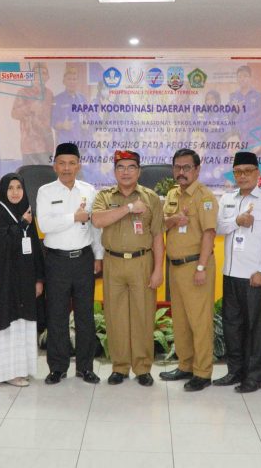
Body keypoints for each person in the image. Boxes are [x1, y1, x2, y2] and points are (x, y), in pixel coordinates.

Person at [91, 149, 165, 386]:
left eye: (131, 167)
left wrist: (158, 270)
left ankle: (142, 368)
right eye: (120, 167)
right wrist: (129, 208)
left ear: (139, 171)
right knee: (115, 317)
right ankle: (120, 367)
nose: (125, 172)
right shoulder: (104, 195)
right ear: (114, 171)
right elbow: (98, 220)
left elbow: (157, 237)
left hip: (142, 262)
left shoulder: (151, 197)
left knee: (143, 316)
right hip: (113, 262)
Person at [35, 142, 104, 385]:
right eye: (61, 163)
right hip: (56, 261)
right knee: (57, 316)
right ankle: (57, 367)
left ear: (79, 165)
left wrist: (98, 256)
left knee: (85, 316)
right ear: (54, 165)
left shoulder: (89, 190)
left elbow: (95, 228)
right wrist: (73, 217)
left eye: (71, 163)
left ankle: (85, 367)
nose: (66, 168)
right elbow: (45, 225)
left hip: (84, 260)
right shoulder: (45, 191)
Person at [214, 151, 261, 393]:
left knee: (256, 327)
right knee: (232, 325)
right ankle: (235, 371)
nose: (242, 176)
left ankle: (255, 376)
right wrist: (237, 221)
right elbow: (219, 227)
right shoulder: (228, 198)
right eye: (238, 172)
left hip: (255, 276)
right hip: (231, 273)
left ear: (257, 174)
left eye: (248, 171)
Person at [159, 148, 218, 392]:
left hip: (196, 265)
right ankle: (185, 365)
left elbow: (209, 233)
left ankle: (203, 372)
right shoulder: (173, 194)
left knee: (199, 321)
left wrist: (202, 267)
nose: (181, 173)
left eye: (186, 168)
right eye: (177, 168)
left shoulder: (205, 197)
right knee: (181, 321)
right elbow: (161, 224)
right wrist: (174, 220)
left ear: (196, 169)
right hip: (175, 267)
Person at [0, 174, 45, 386]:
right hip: (6, 281)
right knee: (9, 322)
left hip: (26, 280)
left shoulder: (26, 210)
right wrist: (21, 224)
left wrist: (39, 279)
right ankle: (8, 372)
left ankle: (22, 368)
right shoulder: (0, 212)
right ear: (3, 190)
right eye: (10, 187)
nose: (15, 192)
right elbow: (1, 244)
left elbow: (36, 248)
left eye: (19, 187)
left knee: (24, 322)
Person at [11, 62, 55, 166]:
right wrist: (30, 108)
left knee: (47, 178)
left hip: (46, 145)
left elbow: (53, 117)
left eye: (44, 73)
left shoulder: (49, 94)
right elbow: (14, 114)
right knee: (30, 179)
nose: (40, 76)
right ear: (32, 76)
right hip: (30, 146)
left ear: (47, 77)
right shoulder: (23, 92)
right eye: (37, 73)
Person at [51, 64, 88, 146]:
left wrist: (86, 123)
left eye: (74, 79)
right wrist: (63, 125)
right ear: (64, 81)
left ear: (77, 81)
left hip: (81, 143)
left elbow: (87, 117)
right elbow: (53, 123)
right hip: (65, 143)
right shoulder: (57, 99)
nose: (72, 82)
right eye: (69, 79)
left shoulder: (82, 98)